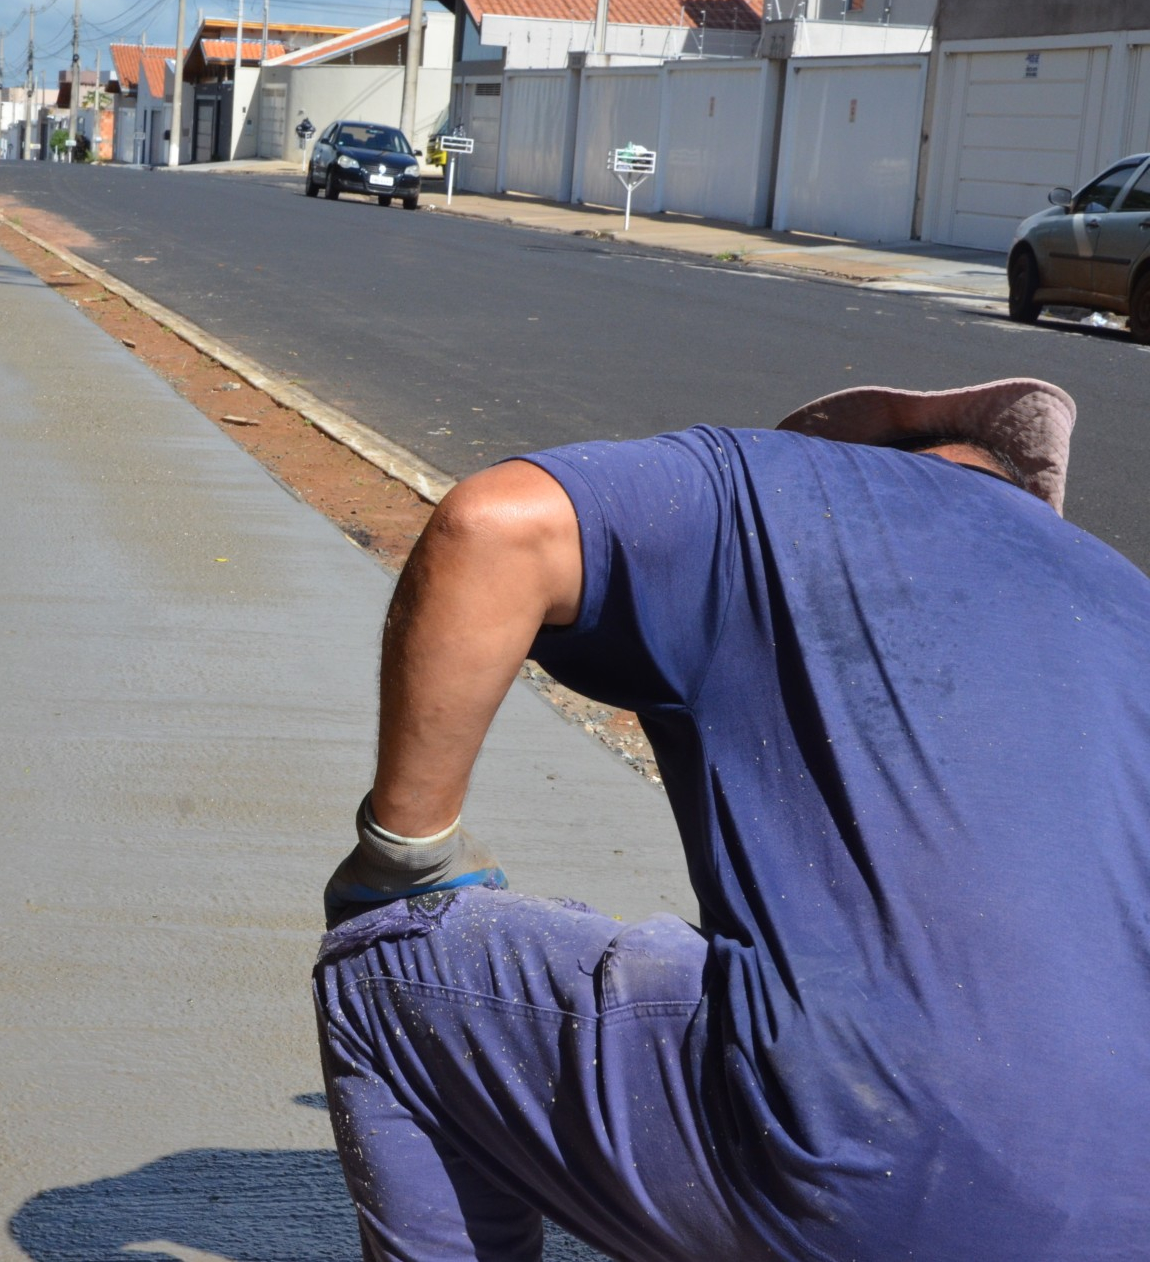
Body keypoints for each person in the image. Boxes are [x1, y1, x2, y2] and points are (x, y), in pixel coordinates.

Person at [314, 379, 1150, 1262]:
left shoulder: (787, 489)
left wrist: (402, 853)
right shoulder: (1123, 601)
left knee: (384, 974)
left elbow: (496, 529)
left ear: (864, 446)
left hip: (869, 1168)